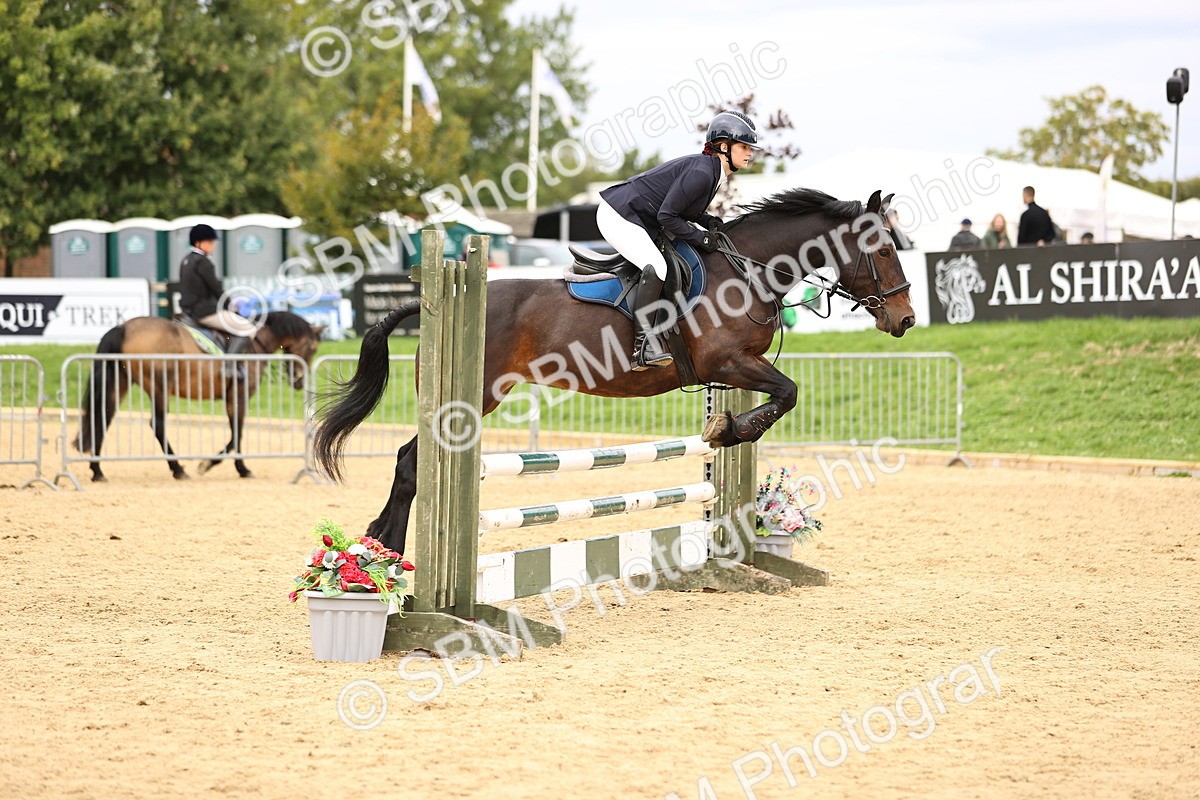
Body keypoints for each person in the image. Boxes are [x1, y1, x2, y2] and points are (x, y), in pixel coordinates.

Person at [597, 110, 759, 370]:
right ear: (724, 147)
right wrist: (701, 238)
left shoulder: (712, 171)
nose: (750, 153)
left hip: (639, 216)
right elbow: (667, 216)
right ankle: (642, 346)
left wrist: (707, 222)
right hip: (619, 214)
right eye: (744, 147)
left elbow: (684, 210)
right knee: (657, 266)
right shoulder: (703, 173)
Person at [178, 223, 260, 375]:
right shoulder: (203, 262)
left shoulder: (186, 260)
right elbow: (216, 288)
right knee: (248, 328)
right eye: (209, 242)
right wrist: (231, 306)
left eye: (212, 242)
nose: (212, 245)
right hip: (204, 313)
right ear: (198, 243)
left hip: (187, 311)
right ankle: (228, 366)